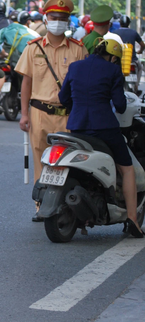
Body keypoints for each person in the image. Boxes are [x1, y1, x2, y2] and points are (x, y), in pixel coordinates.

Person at [59, 37, 143, 238]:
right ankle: (132, 218)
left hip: (77, 127)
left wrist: (76, 109)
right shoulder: (113, 70)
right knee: (127, 168)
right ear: (113, 58)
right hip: (104, 127)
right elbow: (120, 105)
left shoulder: (75, 66)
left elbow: (63, 98)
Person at [14, 0, 86, 222]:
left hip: (68, 115)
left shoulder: (78, 49)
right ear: (46, 18)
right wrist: (24, 114)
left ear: (68, 22)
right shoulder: (33, 48)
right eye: (54, 17)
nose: (58, 22)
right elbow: (26, 82)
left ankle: (65, 201)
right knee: (41, 159)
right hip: (39, 113)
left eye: (63, 18)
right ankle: (41, 202)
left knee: (68, 160)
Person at [115, 15, 145, 92]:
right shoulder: (134, 32)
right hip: (132, 60)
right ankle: (136, 86)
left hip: (119, 60)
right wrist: (140, 51)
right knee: (140, 67)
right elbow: (142, 45)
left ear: (120, 23)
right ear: (129, 23)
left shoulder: (115, 33)